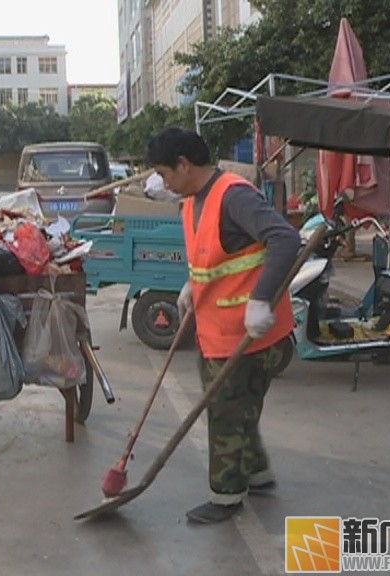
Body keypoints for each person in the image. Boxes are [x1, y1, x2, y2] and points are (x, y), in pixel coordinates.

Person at [145, 127, 301, 524]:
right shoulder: (194, 199)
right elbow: (215, 252)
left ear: (184, 164)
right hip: (219, 331)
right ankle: (259, 474)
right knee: (238, 407)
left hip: (248, 335)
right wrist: (193, 283)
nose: (163, 182)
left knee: (226, 415)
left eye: (165, 173)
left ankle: (226, 496)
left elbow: (285, 239)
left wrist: (262, 299)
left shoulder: (233, 196)